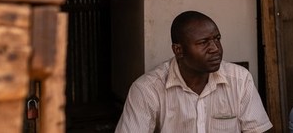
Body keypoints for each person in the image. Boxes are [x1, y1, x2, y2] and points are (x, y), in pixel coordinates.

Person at [115, 10, 272, 133]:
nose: (215, 49)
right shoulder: (147, 89)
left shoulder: (239, 79)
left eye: (217, 39)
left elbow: (258, 130)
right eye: (203, 42)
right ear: (178, 50)